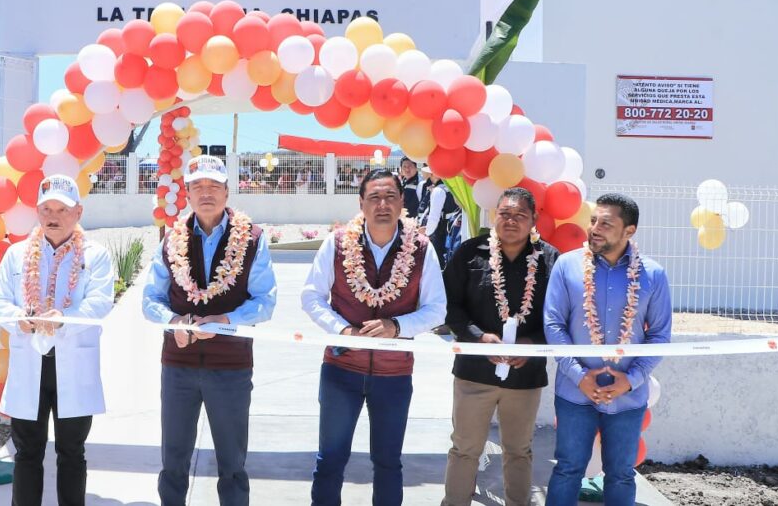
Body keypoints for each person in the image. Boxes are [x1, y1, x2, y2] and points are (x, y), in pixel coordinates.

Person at [301, 168, 447, 506]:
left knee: (387, 463)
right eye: (374, 198)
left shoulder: (421, 249)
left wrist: (396, 327)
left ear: (401, 203)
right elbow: (311, 296)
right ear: (361, 204)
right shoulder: (337, 243)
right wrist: (344, 331)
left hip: (394, 375)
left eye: (390, 197)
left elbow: (437, 309)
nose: (383, 204)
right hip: (341, 370)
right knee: (330, 460)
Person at [143, 155, 278, 506]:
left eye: (214, 186)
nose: (206, 193)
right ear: (187, 193)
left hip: (230, 369)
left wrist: (224, 323)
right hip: (178, 367)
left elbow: (265, 302)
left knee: (232, 466)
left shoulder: (252, 239)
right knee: (173, 463)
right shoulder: (171, 239)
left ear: (227, 192)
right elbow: (151, 299)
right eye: (198, 186)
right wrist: (174, 323)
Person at [0, 174, 116, 506]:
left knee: (71, 451)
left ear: (78, 212)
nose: (53, 216)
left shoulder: (96, 254)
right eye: (46, 209)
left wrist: (63, 320)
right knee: (27, 451)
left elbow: (100, 302)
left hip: (73, 361)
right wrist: (20, 319)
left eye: (62, 208)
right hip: (29, 360)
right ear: (37, 212)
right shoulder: (16, 254)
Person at [544, 193, 672, 506]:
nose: (595, 228)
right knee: (567, 470)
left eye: (606, 223)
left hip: (627, 398)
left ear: (629, 231)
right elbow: (554, 325)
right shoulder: (567, 265)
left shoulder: (652, 274)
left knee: (621, 474)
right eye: (593, 221)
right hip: (575, 394)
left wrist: (631, 380)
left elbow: (659, 335)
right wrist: (579, 375)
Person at [441, 188, 560, 506]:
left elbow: (559, 317)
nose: (511, 221)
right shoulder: (469, 253)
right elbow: (449, 307)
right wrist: (478, 338)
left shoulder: (550, 258)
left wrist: (531, 344)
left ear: (534, 219)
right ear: (494, 215)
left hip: (525, 377)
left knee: (519, 451)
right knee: (465, 449)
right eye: (505, 213)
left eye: (520, 215)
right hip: (474, 373)